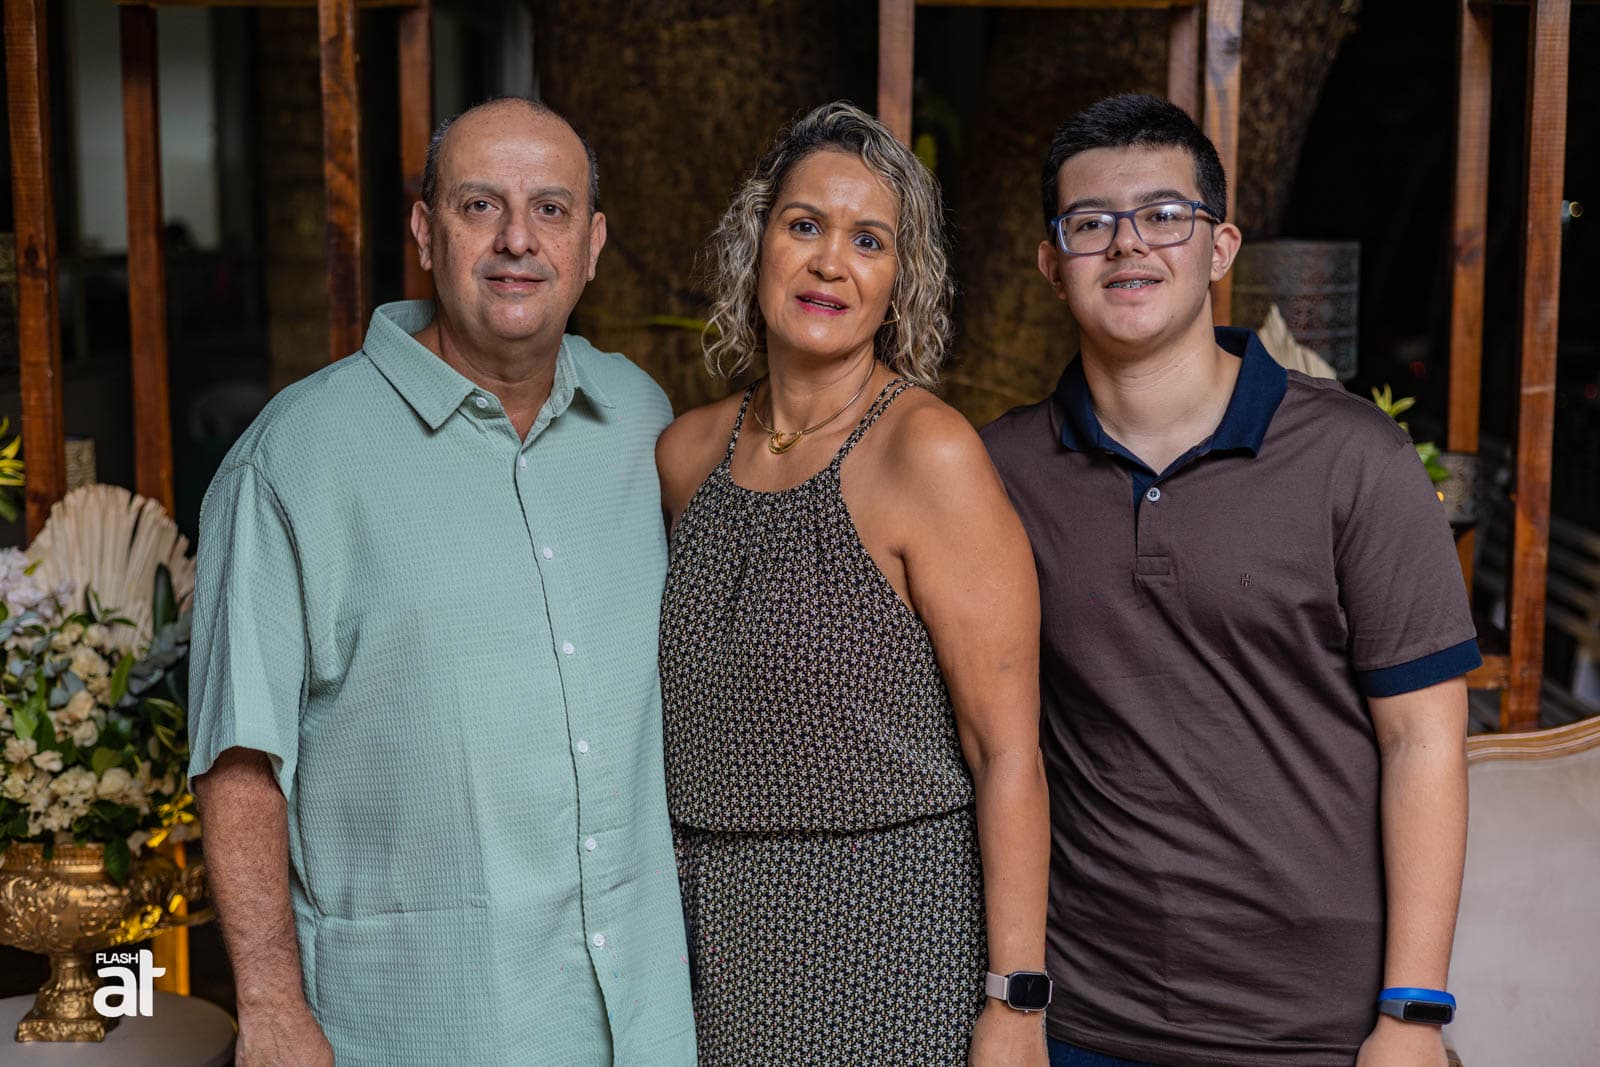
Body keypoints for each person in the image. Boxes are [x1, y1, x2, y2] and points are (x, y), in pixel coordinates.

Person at [188, 98, 695, 1067]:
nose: (517, 239)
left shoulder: (641, 418)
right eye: (479, 205)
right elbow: (239, 760)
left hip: (643, 1022)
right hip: (421, 1025)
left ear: (592, 245)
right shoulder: (293, 459)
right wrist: (271, 1005)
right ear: (426, 232)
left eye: (551, 209)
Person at [982, 93, 1480, 1067]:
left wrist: (1413, 1012)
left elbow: (1423, 738)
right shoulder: (998, 471)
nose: (1129, 244)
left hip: (1317, 1028)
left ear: (1219, 248)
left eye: (1164, 214)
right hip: (1087, 1017)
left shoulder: (1354, 457)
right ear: (1052, 263)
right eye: (1092, 223)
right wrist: (1015, 999)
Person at [655, 101, 1051, 1066]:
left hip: (889, 944)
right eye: (805, 226)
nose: (831, 262)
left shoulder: (927, 452)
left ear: (899, 283)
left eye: (868, 240)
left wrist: (1017, 1003)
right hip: (708, 944)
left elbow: (1007, 753)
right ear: (757, 247)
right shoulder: (685, 455)